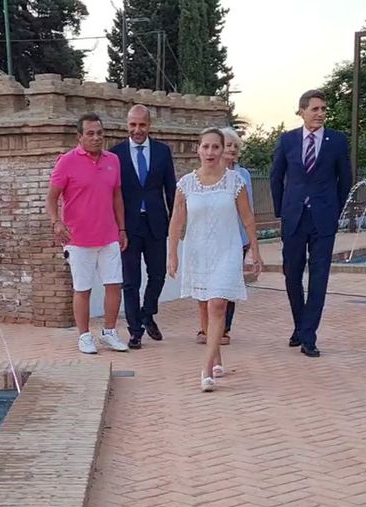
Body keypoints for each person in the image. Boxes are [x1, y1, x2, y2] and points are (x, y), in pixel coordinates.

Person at [169, 128, 263, 392]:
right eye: (206, 147)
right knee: (204, 305)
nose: (210, 152)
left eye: (215, 147)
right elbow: (176, 221)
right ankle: (217, 356)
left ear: (223, 150)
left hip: (227, 250)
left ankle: (206, 368)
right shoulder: (186, 183)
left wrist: (255, 250)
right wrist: (173, 253)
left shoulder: (235, 182)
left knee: (218, 304)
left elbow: (247, 218)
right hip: (198, 251)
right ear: (198, 150)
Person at [270, 89, 353, 358]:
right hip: (294, 217)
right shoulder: (287, 140)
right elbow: (276, 178)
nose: (320, 114)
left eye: (323, 109)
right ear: (302, 111)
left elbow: (345, 181)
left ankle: (309, 336)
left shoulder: (337, 141)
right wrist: (281, 212)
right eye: (315, 109)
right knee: (292, 275)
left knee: (319, 278)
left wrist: (334, 212)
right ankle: (300, 325)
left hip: (323, 220)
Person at [48, 113, 129, 354]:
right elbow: (51, 198)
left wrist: (122, 228)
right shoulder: (66, 162)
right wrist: (56, 223)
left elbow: (117, 197)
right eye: (90, 133)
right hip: (79, 239)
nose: (96, 138)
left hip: (109, 236)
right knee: (82, 289)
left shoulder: (113, 160)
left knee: (114, 285)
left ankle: (109, 332)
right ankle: (84, 336)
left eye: (100, 133)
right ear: (79, 137)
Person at [111, 105, 176, 349]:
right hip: (127, 226)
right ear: (127, 125)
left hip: (156, 223)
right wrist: (116, 227)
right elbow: (111, 193)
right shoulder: (115, 154)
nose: (137, 130)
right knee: (130, 281)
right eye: (133, 125)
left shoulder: (162, 152)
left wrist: (175, 223)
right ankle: (135, 330)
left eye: (142, 125)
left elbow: (171, 188)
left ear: (149, 125)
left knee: (158, 274)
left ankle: (148, 313)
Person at [197, 126, 254, 346]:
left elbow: (247, 210)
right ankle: (207, 327)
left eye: (234, 146)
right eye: (228, 145)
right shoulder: (205, 174)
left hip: (235, 238)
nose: (232, 149)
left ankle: (223, 328)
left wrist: (249, 240)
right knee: (206, 284)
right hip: (208, 239)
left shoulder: (242, 176)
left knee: (227, 285)